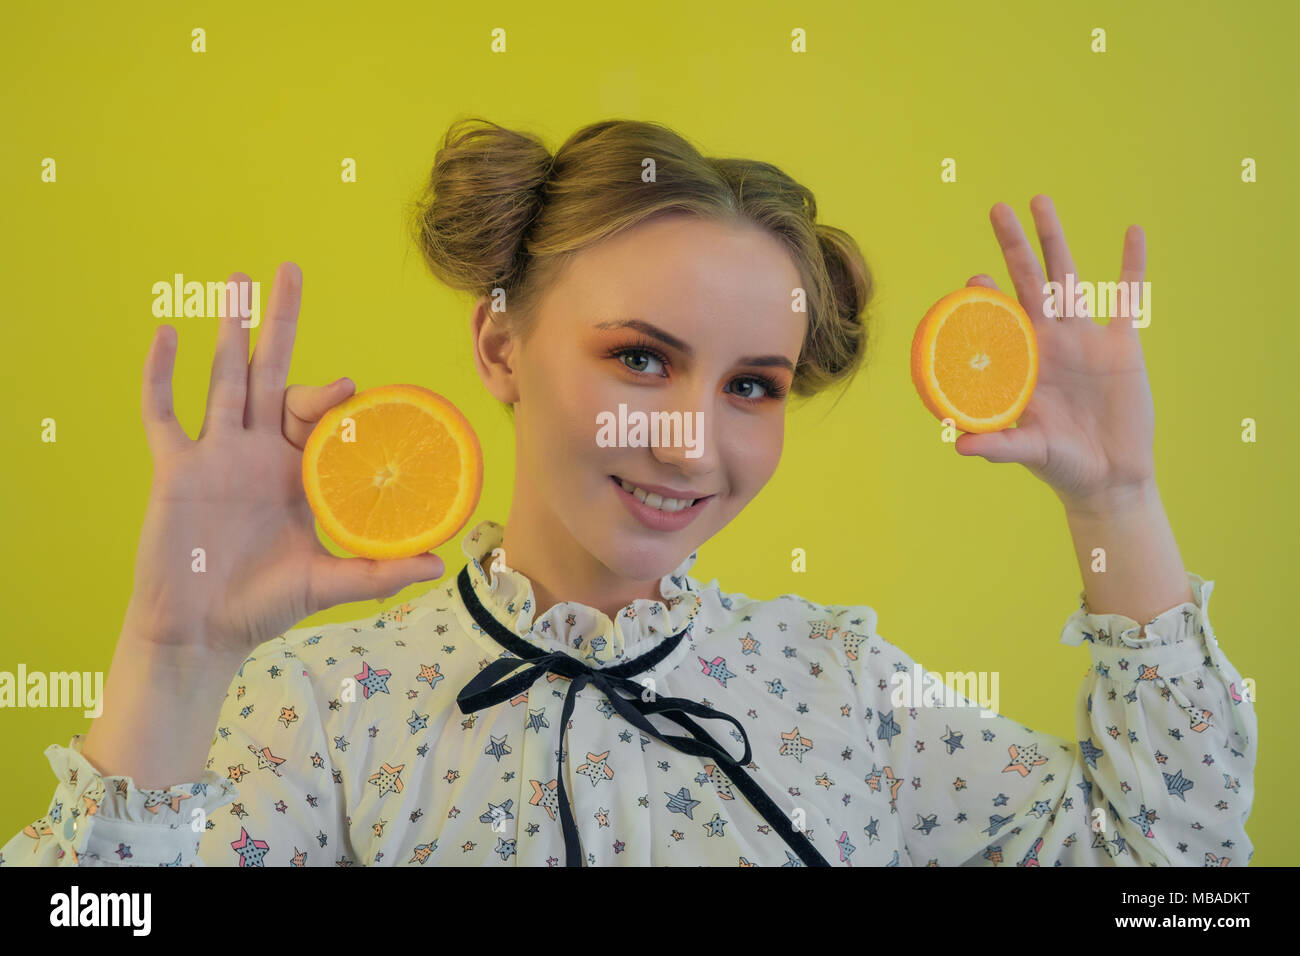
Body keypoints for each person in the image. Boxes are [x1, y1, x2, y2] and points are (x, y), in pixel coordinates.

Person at [1, 117, 1256, 867]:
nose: (688, 440)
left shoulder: (841, 692)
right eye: (641, 356)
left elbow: (1170, 869)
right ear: (499, 346)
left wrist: (1119, 504)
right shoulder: (319, 711)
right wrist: (170, 657)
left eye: (753, 385)